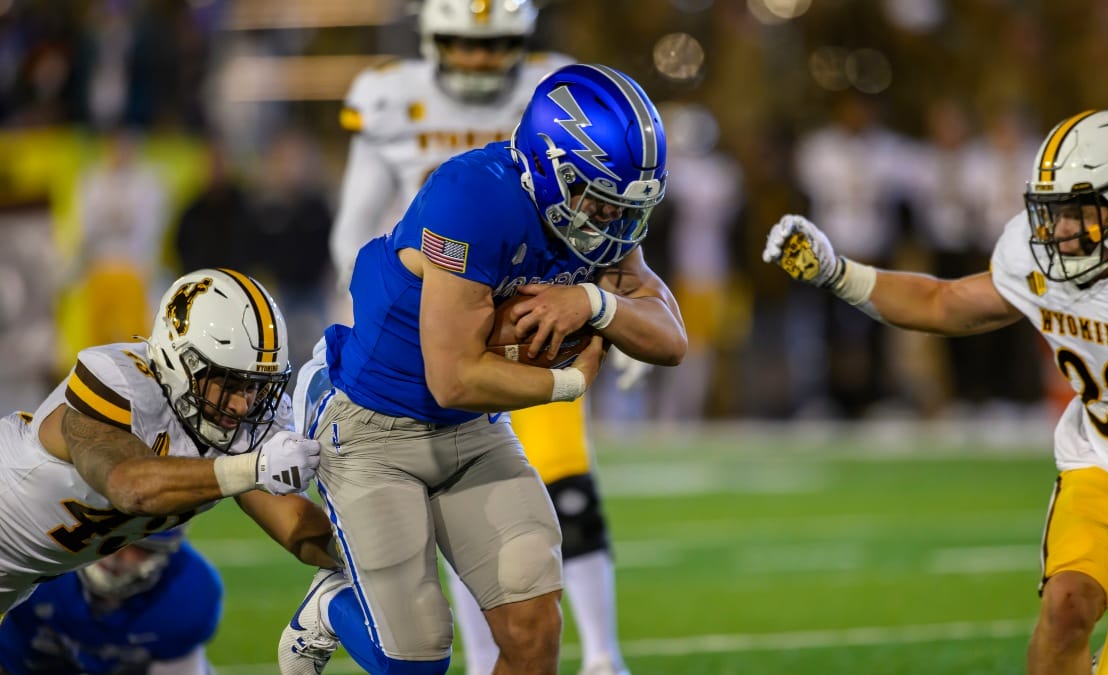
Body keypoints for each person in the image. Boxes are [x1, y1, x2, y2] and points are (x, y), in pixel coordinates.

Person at [278, 62, 685, 675]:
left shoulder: (594, 218)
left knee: (533, 630)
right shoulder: (471, 196)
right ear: (553, 169)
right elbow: (454, 375)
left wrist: (594, 301)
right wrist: (568, 383)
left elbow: (671, 337)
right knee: (415, 661)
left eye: (622, 206)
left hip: (471, 430)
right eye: (598, 201)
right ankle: (332, 605)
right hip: (375, 427)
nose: (611, 223)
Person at [763, 109, 1108, 675]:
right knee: (1067, 605)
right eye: (1054, 211)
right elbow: (943, 303)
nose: (1060, 230)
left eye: (1078, 211)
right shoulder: (1040, 256)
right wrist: (838, 273)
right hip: (1104, 464)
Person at [0, 267, 338, 616]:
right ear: (181, 360)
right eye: (229, 383)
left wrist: (372, 560)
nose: (242, 404)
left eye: (254, 386)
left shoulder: (236, 421)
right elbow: (130, 485)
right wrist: (256, 466)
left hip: (18, 578)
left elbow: (296, 524)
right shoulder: (120, 381)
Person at [0, 527, 221, 674]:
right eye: (113, 537)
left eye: (137, 545)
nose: (118, 551)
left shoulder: (187, 594)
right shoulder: (38, 555)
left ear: (162, 553)